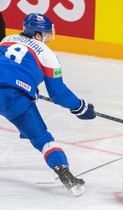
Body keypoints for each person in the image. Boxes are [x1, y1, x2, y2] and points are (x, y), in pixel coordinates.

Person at [0, 13, 96, 196]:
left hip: (13, 90)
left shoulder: (6, 39)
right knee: (43, 140)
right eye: (46, 34)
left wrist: (29, 86)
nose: (49, 38)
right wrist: (80, 106)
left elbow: (7, 68)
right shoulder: (47, 53)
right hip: (16, 99)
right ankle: (66, 175)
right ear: (37, 35)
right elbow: (58, 93)